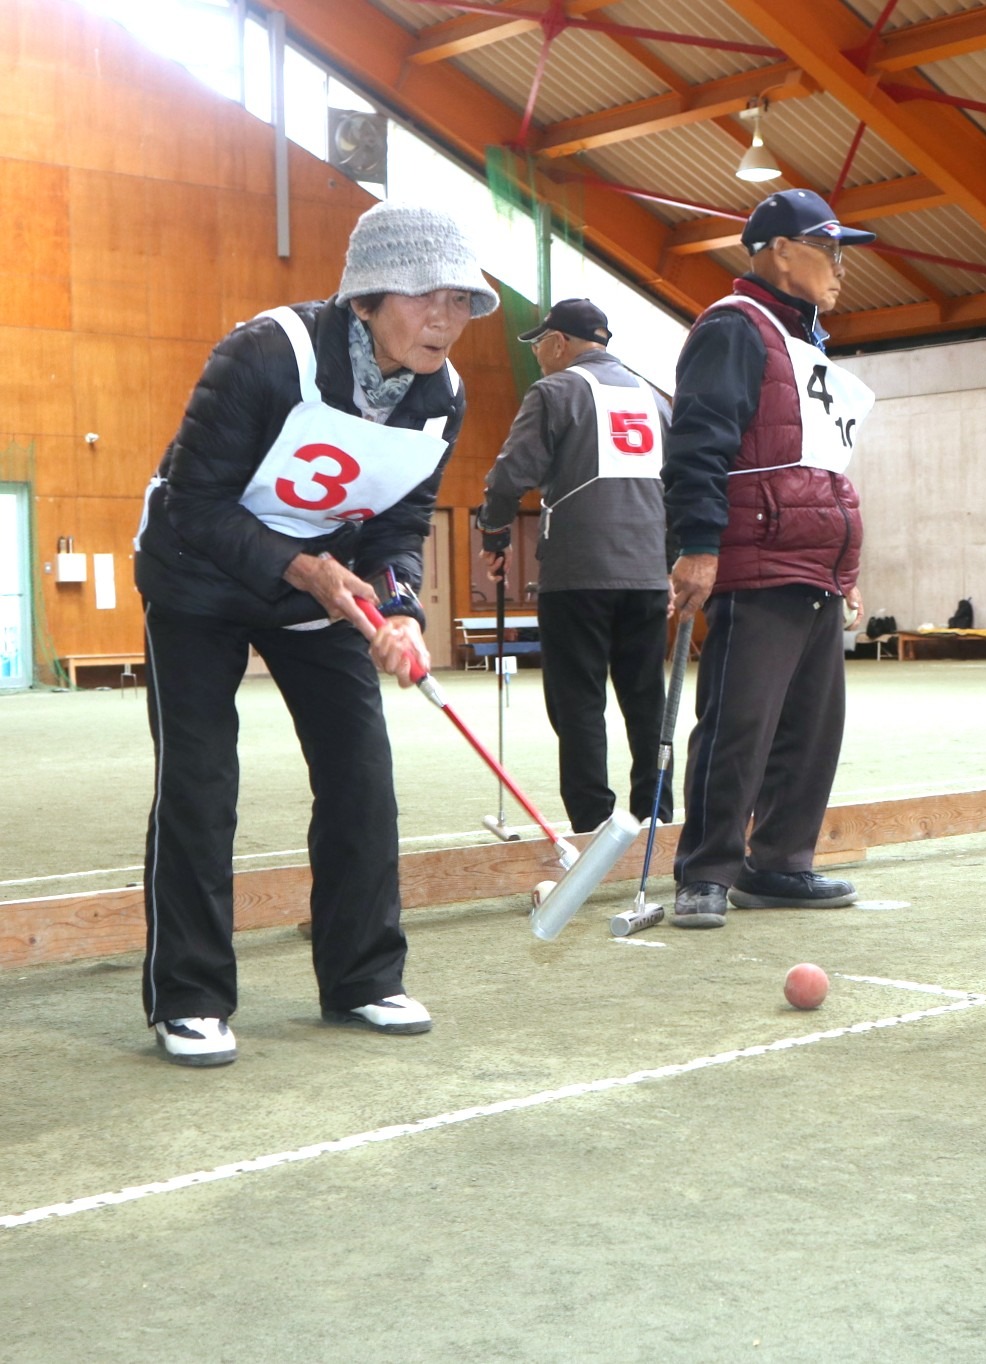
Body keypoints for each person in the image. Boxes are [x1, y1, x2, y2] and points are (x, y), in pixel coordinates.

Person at [133, 202, 492, 1065]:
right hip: (197, 579)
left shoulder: (441, 397)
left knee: (361, 773)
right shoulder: (265, 355)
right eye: (423, 296)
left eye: (460, 300)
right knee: (201, 776)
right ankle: (189, 995)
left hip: (321, 592)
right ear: (365, 299)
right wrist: (308, 569)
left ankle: (364, 975)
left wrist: (397, 603)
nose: (446, 318)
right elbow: (196, 501)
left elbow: (401, 520)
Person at [662, 189, 877, 929]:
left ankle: (781, 863)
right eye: (831, 248)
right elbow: (697, 441)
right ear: (782, 250)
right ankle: (706, 872)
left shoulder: (806, 342)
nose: (842, 267)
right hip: (757, 558)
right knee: (738, 724)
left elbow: (822, 460)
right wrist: (695, 546)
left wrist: (844, 569)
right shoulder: (733, 328)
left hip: (816, 562)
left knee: (812, 727)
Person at [477, 298, 674, 833]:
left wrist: (494, 534)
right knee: (646, 700)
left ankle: (595, 826)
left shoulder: (555, 390)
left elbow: (509, 474)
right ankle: (657, 817)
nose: (539, 355)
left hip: (578, 572)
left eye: (540, 344)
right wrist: (672, 562)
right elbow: (680, 485)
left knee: (578, 702)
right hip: (648, 573)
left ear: (559, 342)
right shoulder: (656, 399)